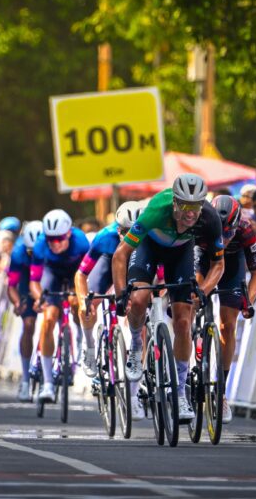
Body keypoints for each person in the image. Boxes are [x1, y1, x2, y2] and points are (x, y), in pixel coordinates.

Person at [112, 173, 224, 421]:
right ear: (174, 202)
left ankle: (181, 393)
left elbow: (219, 264)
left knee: (183, 321)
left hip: (181, 253)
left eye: (195, 206)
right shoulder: (155, 211)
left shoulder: (210, 218)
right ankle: (137, 347)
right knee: (139, 299)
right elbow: (121, 255)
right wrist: (121, 293)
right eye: (184, 205)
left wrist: (203, 291)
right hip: (149, 248)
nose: (190, 213)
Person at [210, 195, 256, 423]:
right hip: (204, 259)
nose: (224, 238)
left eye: (228, 232)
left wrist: (247, 302)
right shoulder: (202, 224)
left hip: (232, 266)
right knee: (187, 307)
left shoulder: (245, 230)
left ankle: (220, 392)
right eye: (219, 232)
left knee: (227, 325)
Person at [74, 201, 143, 375]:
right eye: (125, 232)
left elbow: (160, 273)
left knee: (141, 308)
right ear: (118, 229)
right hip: (108, 260)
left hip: (135, 263)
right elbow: (81, 274)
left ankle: (139, 360)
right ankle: (89, 346)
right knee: (90, 304)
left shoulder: (150, 234)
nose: (130, 236)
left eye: (134, 231)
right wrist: (83, 302)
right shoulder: (105, 236)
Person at [29, 209, 90, 403]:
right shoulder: (40, 245)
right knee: (48, 318)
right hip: (52, 275)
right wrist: (40, 299)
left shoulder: (81, 242)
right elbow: (34, 282)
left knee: (75, 304)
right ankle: (47, 383)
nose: (55, 244)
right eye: (50, 239)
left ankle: (80, 337)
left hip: (75, 273)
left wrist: (79, 295)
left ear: (69, 234)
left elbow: (87, 274)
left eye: (60, 239)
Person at [7, 220, 43, 402]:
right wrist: (16, 303)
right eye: (31, 252)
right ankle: (26, 379)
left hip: (48, 282)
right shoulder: (18, 253)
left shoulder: (54, 247)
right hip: (26, 287)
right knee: (29, 325)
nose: (34, 255)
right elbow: (11, 286)